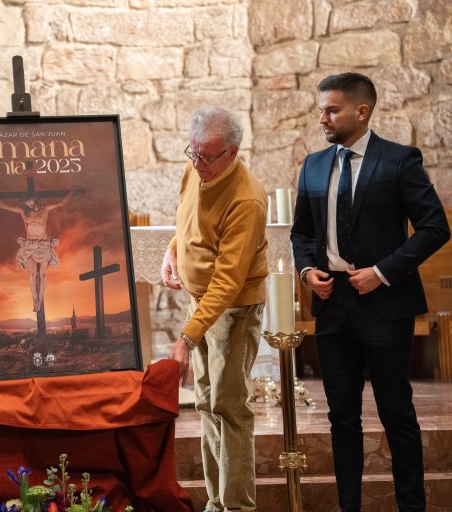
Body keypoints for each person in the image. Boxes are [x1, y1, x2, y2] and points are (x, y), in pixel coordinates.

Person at [291, 72, 450, 512]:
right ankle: (349, 507)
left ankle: (411, 506)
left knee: (397, 414)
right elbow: (301, 233)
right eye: (320, 108)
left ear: (361, 111)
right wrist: (307, 271)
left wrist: (381, 272)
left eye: (332, 109)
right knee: (341, 417)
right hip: (331, 303)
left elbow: (436, 227)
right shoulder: (314, 164)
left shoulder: (400, 160)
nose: (322, 117)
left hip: (384, 303)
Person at [161, 107, 268, 512]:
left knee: (230, 408)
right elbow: (185, 222)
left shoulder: (247, 199)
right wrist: (172, 253)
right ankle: (216, 503)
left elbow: (228, 281)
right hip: (203, 305)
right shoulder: (195, 168)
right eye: (194, 152)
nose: (198, 163)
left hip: (234, 310)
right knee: (206, 404)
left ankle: (237, 507)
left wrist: (187, 336)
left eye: (208, 156)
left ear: (233, 152)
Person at [0, 190, 73, 312]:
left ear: (35, 198)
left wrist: (71, 192)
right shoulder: (23, 212)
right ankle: (34, 299)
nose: (28, 204)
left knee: (43, 274)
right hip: (29, 245)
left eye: (29, 200)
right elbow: (3, 206)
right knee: (31, 274)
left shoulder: (45, 209)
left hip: (43, 244)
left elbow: (61, 203)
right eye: (26, 202)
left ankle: (40, 298)